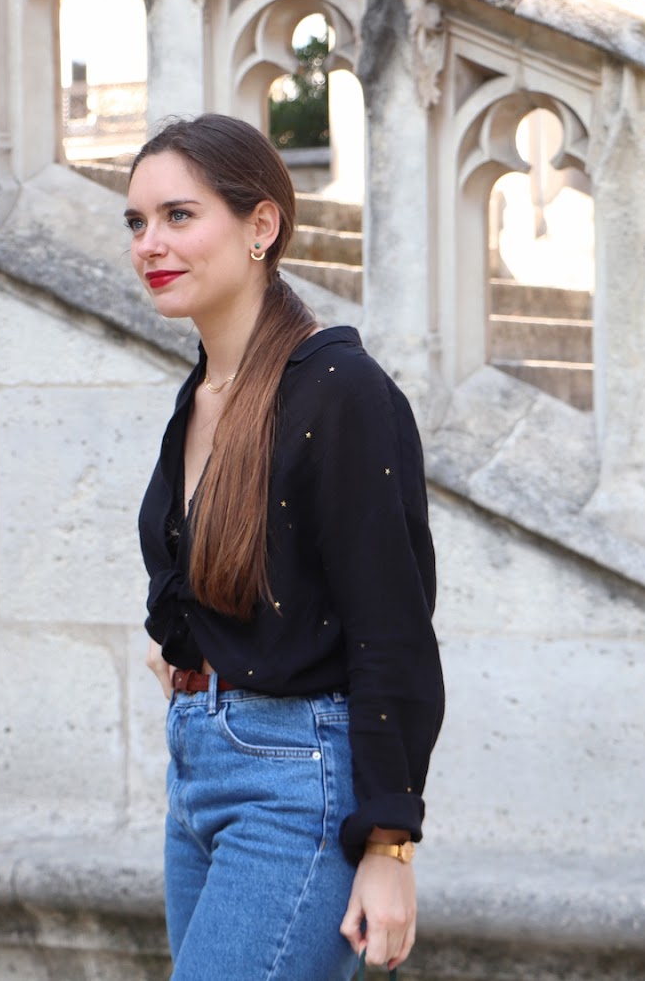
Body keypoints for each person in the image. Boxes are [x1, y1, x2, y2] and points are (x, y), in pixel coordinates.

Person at [127, 113, 445, 979]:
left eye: (179, 215)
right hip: (197, 771)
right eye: (138, 221)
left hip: (296, 786)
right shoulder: (202, 394)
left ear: (261, 225)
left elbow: (392, 627)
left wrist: (389, 843)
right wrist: (184, 649)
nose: (151, 243)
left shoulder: (341, 390)